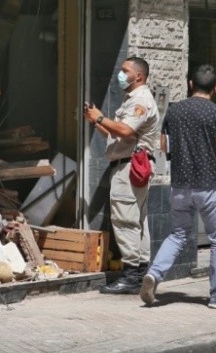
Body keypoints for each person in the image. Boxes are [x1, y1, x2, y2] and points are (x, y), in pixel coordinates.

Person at [139, 64, 216, 309]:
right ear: (215, 88)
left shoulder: (174, 111)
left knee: (178, 234)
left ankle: (154, 274)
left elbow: (163, 145)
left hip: (180, 187)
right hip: (208, 187)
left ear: (190, 84)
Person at [83, 56, 160, 294]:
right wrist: (96, 121)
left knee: (126, 221)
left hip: (129, 168)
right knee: (137, 221)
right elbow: (120, 133)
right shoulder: (133, 98)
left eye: (125, 71)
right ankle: (140, 272)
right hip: (131, 166)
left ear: (138, 76)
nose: (121, 74)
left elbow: (126, 130)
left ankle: (131, 276)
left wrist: (100, 117)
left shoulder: (141, 100)